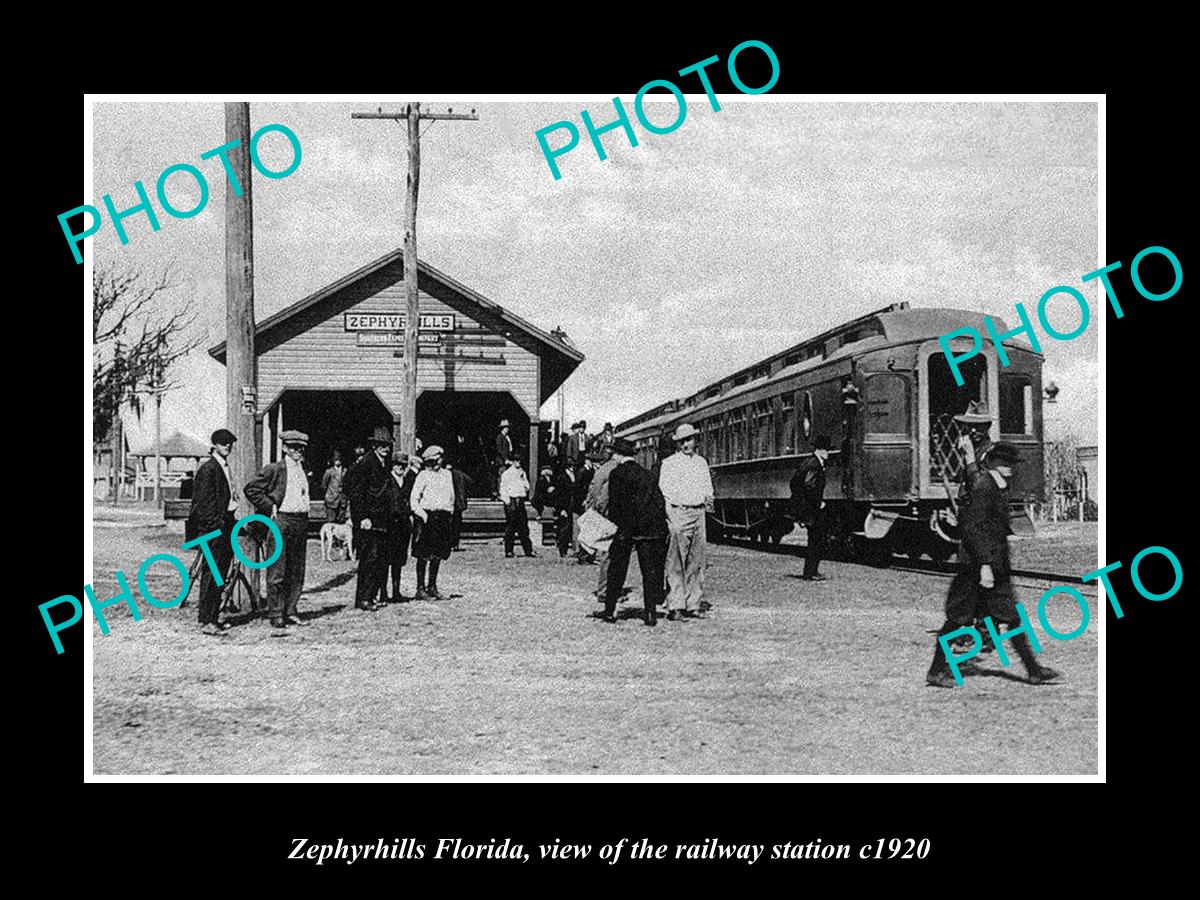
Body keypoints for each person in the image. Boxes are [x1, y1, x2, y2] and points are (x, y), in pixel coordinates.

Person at [926, 442, 1061, 688]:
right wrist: (985, 565)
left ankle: (1033, 670)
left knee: (1012, 616)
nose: (1009, 468)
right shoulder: (984, 486)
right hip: (977, 568)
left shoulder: (995, 485)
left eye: (1010, 464)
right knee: (957, 619)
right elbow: (973, 528)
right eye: (1003, 463)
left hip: (995, 568)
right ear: (993, 464)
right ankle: (936, 671)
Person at [244, 430, 312, 630]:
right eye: (293, 448)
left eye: (301, 448)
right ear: (284, 448)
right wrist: (269, 506)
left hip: (300, 521)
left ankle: (291, 610)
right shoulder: (275, 469)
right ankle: (276, 613)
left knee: (296, 570)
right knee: (278, 570)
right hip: (281, 520)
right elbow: (251, 489)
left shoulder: (302, 469)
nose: (298, 451)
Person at [601, 438, 667, 627]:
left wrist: (614, 526)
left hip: (625, 529)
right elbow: (658, 503)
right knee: (649, 572)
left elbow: (615, 505)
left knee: (617, 570)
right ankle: (650, 613)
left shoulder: (617, 474)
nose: (613, 456)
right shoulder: (648, 475)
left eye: (614, 453)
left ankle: (610, 610)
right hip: (647, 529)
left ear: (619, 455)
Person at [185, 428, 240, 636]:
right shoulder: (209, 469)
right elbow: (202, 503)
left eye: (230, 443)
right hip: (214, 529)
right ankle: (207, 620)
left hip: (226, 525)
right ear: (215, 444)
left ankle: (213, 616)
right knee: (212, 573)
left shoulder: (223, 467)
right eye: (223, 443)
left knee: (221, 573)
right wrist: (214, 525)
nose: (228, 446)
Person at [658, 423, 714, 619]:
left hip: (698, 513)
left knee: (697, 561)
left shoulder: (701, 463)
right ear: (677, 444)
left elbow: (708, 490)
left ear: (695, 440)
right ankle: (676, 605)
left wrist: (707, 503)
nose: (686, 444)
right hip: (679, 513)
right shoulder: (670, 464)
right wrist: (672, 520)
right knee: (676, 562)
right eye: (682, 441)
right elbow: (664, 495)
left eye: (689, 440)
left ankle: (693, 604)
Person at [348, 426, 393, 612]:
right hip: (369, 520)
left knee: (380, 559)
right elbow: (356, 493)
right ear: (374, 445)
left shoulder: (384, 463)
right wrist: (362, 517)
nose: (385, 448)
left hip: (382, 519)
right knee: (369, 559)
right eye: (381, 445)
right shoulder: (366, 463)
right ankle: (364, 598)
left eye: (387, 445)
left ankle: (372, 595)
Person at [411, 445, 456, 599]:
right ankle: (420, 588)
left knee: (438, 553)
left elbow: (451, 496)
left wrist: (449, 512)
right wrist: (422, 515)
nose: (437, 463)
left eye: (439, 460)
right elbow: (414, 499)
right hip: (427, 516)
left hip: (442, 517)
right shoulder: (423, 475)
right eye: (433, 461)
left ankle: (432, 586)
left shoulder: (447, 475)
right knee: (424, 554)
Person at [790, 433, 831, 581]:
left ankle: (810, 571)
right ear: (820, 450)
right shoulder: (815, 464)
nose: (828, 453)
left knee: (813, 540)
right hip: (813, 509)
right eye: (826, 450)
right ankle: (811, 572)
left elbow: (794, 482)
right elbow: (809, 485)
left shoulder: (808, 461)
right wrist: (817, 502)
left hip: (806, 508)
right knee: (816, 540)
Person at [584, 446, 622, 600]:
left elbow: (593, 491)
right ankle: (606, 591)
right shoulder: (614, 469)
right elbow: (604, 496)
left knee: (607, 554)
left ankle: (606, 590)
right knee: (611, 554)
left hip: (603, 514)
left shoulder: (603, 469)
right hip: (611, 516)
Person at [381, 450, 419, 603]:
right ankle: (383, 593)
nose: (400, 467)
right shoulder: (387, 480)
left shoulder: (407, 481)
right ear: (392, 465)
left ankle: (396, 591)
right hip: (389, 525)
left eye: (403, 465)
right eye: (397, 464)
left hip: (402, 526)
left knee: (398, 560)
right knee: (385, 561)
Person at [499, 453, 536, 558]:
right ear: (512, 462)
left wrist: (523, 480)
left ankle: (528, 550)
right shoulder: (507, 473)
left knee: (523, 527)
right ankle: (509, 551)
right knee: (510, 528)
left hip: (520, 501)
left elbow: (527, 487)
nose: (518, 462)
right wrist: (507, 502)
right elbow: (503, 488)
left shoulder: (522, 473)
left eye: (519, 460)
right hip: (512, 501)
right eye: (516, 460)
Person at [551, 461, 578, 560]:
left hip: (572, 505)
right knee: (564, 529)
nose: (572, 468)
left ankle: (570, 549)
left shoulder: (574, 476)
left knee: (570, 528)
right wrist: (561, 509)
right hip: (564, 506)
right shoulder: (562, 478)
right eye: (571, 466)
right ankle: (563, 550)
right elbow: (559, 495)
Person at [447, 462, 472, 551]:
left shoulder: (445, 476)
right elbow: (470, 482)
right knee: (457, 524)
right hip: (459, 502)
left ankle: (449, 544)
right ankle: (455, 544)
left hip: (450, 502)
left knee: (449, 524)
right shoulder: (460, 474)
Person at [321, 451, 349, 524]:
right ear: (333, 460)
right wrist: (329, 495)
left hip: (342, 500)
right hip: (331, 500)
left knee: (341, 522)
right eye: (336, 459)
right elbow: (324, 485)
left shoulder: (345, 471)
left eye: (339, 459)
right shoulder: (329, 471)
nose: (337, 461)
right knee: (331, 522)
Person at [493, 420, 514, 498]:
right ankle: (500, 493)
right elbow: (499, 450)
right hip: (501, 461)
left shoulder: (506, 437)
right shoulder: (499, 437)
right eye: (506, 427)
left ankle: (504, 492)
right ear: (502, 428)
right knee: (501, 477)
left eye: (507, 427)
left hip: (506, 460)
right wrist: (505, 459)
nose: (507, 429)